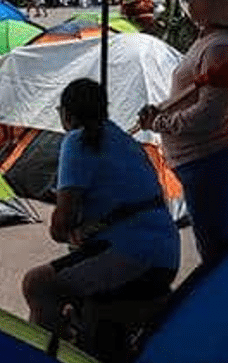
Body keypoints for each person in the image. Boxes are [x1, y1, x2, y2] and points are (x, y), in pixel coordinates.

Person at [23, 79, 179, 329]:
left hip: (132, 255)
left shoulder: (78, 141)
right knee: (75, 272)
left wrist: (70, 228)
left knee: (38, 284)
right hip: (167, 252)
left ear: (67, 114)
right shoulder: (125, 140)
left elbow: (60, 227)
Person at [138, 0, 228, 263]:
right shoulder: (209, 40)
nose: (188, 3)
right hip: (205, 166)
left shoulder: (223, 49)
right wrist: (162, 108)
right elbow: (191, 94)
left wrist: (159, 122)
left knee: (218, 258)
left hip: (212, 166)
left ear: (212, 2)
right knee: (217, 250)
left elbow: (209, 116)